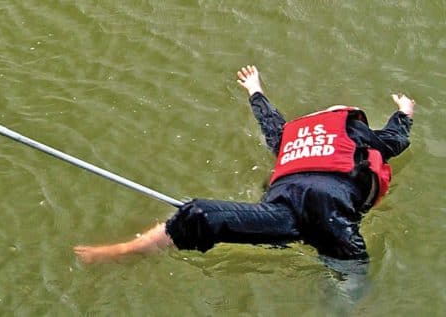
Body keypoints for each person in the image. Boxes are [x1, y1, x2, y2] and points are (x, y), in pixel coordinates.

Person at [73, 65, 414, 269]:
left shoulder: (295, 136)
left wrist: (255, 89)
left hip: (311, 214)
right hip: (314, 216)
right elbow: (395, 139)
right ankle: (126, 250)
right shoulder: (355, 132)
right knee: (350, 271)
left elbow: (270, 121)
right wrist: (404, 112)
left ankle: (129, 250)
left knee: (200, 214)